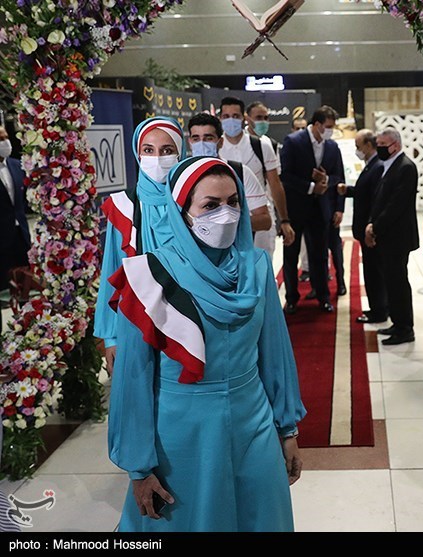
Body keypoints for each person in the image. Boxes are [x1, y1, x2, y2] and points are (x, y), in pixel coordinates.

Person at [107, 156, 306, 531]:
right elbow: (133, 379)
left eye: (233, 202)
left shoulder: (256, 267)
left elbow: (275, 355)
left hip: (253, 424)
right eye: (210, 206)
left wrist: (287, 429)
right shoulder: (150, 276)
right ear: (182, 213)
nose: (225, 215)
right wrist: (139, 468)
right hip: (182, 435)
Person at [94, 116, 186, 376]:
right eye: (148, 150)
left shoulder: (193, 202)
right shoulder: (125, 207)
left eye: (167, 150)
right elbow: (113, 271)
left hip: (187, 319)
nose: (157, 159)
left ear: (181, 154)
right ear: (138, 154)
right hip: (137, 319)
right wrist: (111, 337)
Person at [279, 105, 346, 314]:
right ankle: (292, 298)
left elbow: (338, 176)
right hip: (296, 208)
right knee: (291, 255)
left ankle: (322, 295)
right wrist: (310, 187)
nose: (331, 131)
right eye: (328, 126)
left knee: (320, 255)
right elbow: (285, 176)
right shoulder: (293, 141)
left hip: (321, 209)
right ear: (317, 124)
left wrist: (326, 180)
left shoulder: (332, 146)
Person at [218, 97, 295, 256]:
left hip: (260, 218)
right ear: (220, 118)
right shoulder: (216, 148)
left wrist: (285, 220)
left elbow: (275, 183)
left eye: (235, 116)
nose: (231, 120)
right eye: (226, 116)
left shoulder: (262, 145)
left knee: (262, 265)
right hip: (226, 220)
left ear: (244, 118)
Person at [186, 113, 273, 250]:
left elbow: (265, 221)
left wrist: (227, 224)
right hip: (193, 253)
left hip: (235, 253)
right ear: (190, 142)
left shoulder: (240, 173)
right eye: (196, 138)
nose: (202, 143)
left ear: (220, 142)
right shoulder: (181, 176)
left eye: (208, 138)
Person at [366, 127, 419, 346]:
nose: (378, 148)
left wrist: (375, 227)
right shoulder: (390, 165)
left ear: (395, 145)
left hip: (398, 237)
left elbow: (396, 205)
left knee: (398, 284)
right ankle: (397, 323)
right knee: (391, 281)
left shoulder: (405, 167)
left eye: (382, 145)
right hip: (389, 237)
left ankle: (405, 328)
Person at [337, 129, 388, 323]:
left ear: (368, 145)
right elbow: (363, 192)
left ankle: (379, 310)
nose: (357, 150)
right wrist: (348, 190)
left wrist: (371, 226)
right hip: (366, 228)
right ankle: (378, 307)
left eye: (358, 146)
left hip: (370, 230)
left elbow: (375, 199)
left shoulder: (377, 166)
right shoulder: (371, 165)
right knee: (372, 270)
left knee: (374, 272)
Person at [0, 126, 31, 299]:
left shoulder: (17, 165)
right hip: (2, 240)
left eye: (6, 137)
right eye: (0, 139)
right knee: (5, 290)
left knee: (25, 283)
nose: (5, 142)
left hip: (21, 234)